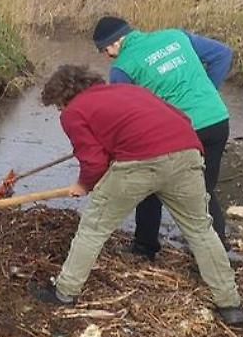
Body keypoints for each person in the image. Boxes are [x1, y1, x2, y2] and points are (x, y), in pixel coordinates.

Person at [33, 65, 243, 326]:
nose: (60, 111)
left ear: (64, 97)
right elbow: (181, 119)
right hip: (186, 152)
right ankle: (230, 304)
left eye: (57, 106)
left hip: (139, 163)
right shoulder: (129, 90)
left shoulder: (73, 112)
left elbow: (94, 162)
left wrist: (83, 185)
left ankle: (64, 292)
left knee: (93, 229)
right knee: (200, 230)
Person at [93, 16, 234, 260]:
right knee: (204, 190)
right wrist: (207, 91)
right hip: (217, 120)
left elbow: (122, 114)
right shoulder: (175, 36)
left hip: (181, 132)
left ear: (116, 42)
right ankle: (218, 253)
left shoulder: (122, 67)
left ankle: (144, 247)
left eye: (105, 49)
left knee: (151, 183)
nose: (107, 55)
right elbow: (223, 54)